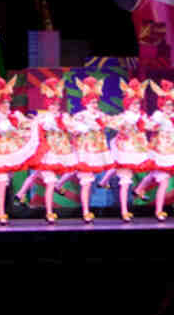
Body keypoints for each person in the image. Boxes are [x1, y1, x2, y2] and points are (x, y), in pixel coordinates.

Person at [15, 76, 75, 223]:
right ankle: (49, 212)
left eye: (56, 103)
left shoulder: (64, 116)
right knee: (48, 181)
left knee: (39, 175)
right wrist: (24, 122)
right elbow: (31, 127)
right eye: (52, 104)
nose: (55, 106)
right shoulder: (43, 117)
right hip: (47, 153)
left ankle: (21, 193)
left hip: (62, 152)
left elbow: (71, 127)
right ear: (48, 105)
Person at [0, 76, 39, 225]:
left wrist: (35, 122)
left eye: (8, 102)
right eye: (3, 102)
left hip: (12, 152)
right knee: (1, 182)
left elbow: (27, 124)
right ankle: (1, 212)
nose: (6, 105)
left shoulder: (15, 116)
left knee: (6, 181)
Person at [98, 78, 153, 222]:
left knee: (156, 171)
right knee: (125, 180)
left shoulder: (142, 116)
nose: (137, 105)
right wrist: (100, 117)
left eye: (138, 103)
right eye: (134, 103)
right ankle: (124, 211)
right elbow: (111, 122)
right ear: (128, 104)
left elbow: (150, 126)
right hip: (125, 150)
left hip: (139, 150)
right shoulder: (124, 117)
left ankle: (139, 189)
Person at [61, 75, 112, 223]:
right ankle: (85, 211)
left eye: (96, 102)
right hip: (84, 153)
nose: (94, 105)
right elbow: (72, 129)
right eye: (91, 102)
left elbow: (113, 123)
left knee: (91, 181)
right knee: (86, 182)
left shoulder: (101, 115)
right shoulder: (80, 116)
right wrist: (82, 128)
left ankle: (86, 208)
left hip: (98, 152)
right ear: (85, 103)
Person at [137, 79, 174, 219]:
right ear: (161, 105)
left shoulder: (172, 116)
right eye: (166, 105)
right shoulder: (159, 115)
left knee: (154, 175)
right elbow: (149, 126)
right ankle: (159, 211)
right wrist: (154, 124)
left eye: (171, 105)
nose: (169, 107)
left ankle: (139, 189)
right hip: (160, 152)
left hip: (170, 151)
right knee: (163, 181)